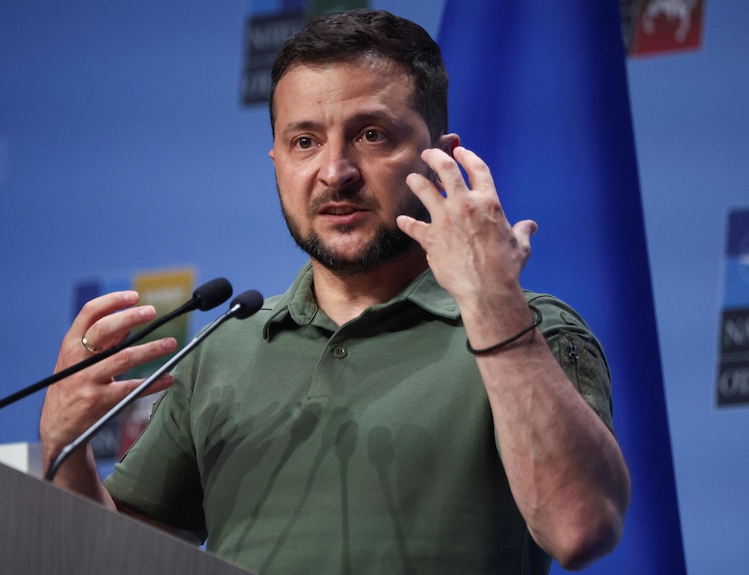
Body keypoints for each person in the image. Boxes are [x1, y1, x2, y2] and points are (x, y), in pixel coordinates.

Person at [40, 9, 630, 574]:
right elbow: (118, 560)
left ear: (443, 157)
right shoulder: (224, 348)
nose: (334, 171)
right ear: (275, 160)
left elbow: (580, 527)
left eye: (371, 135)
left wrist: (495, 306)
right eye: (304, 141)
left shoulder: (531, 329)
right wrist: (65, 452)